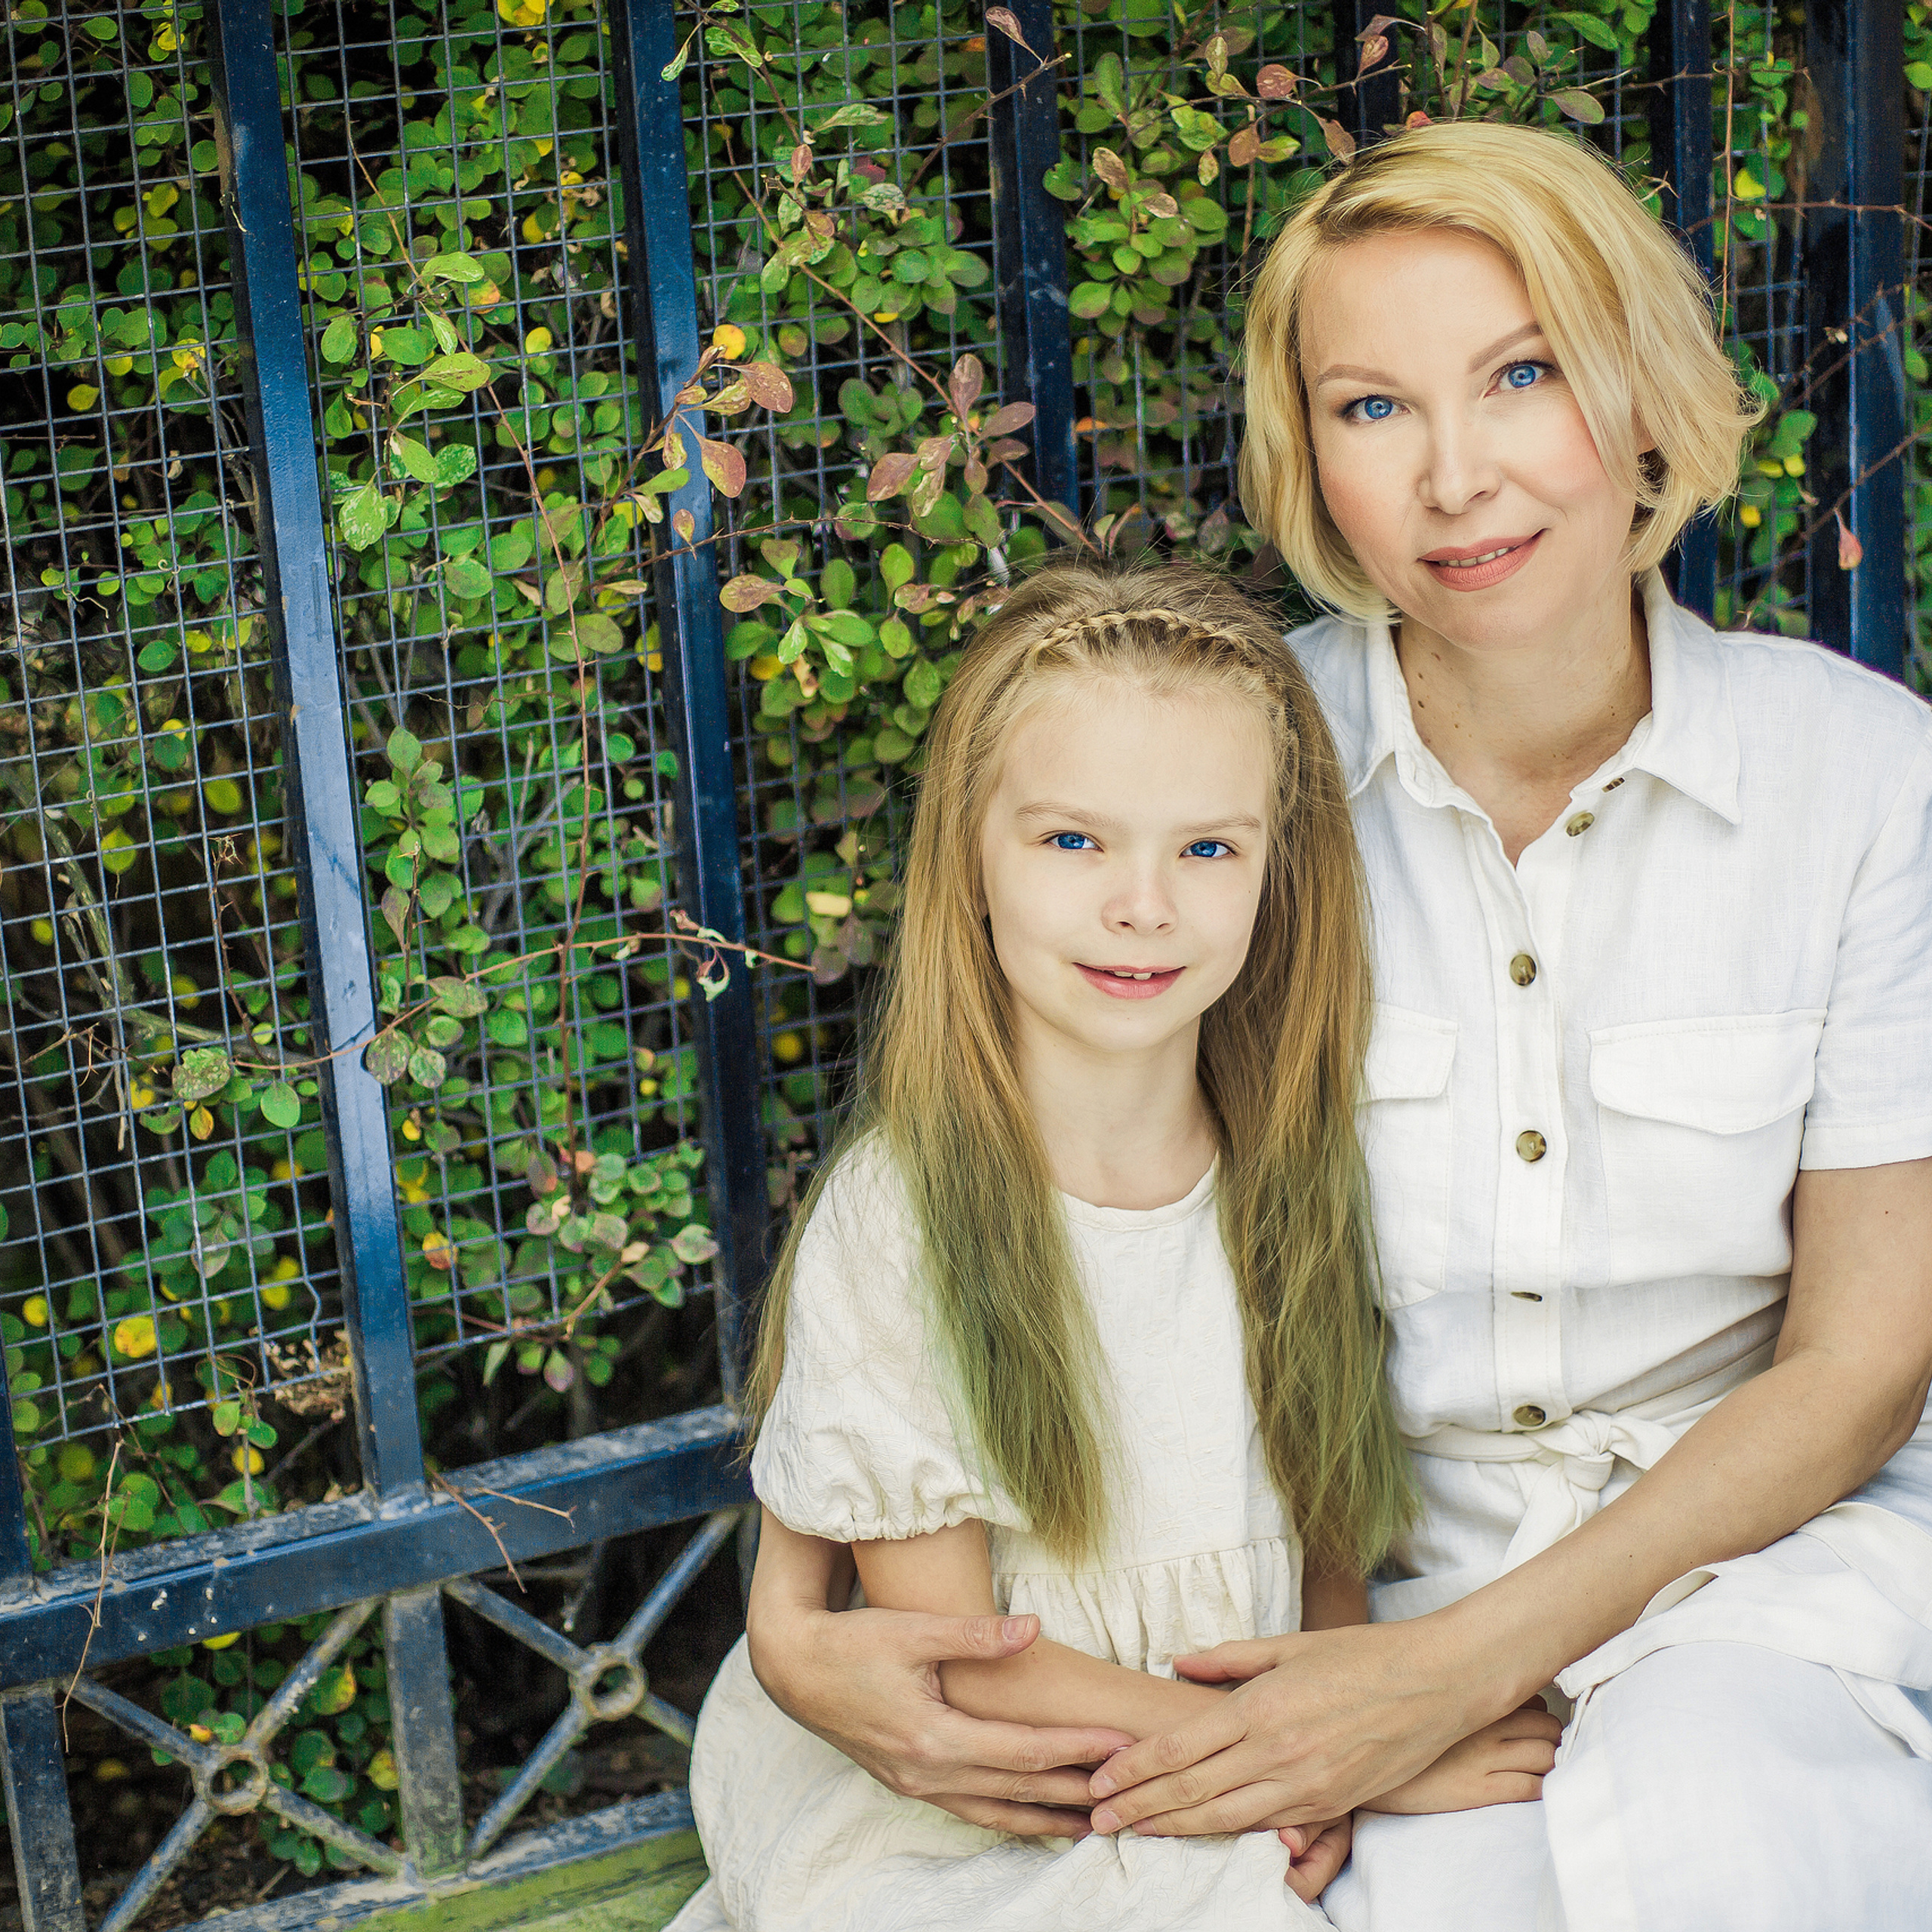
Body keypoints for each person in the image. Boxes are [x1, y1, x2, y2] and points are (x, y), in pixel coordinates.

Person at [737, 122, 1932, 1931]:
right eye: (1372, 407)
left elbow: (1857, 1359)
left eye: (1520, 375)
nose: (1455, 476)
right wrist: (787, 1618)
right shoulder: (1217, 768)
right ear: (1309, 461)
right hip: (1336, 1602)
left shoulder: (1860, 776)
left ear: (1639, 399)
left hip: (1746, 1576)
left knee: (1726, 1828)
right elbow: (993, 1194)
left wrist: (1452, 1676)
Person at [667, 561, 1564, 1932]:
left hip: (1245, 1767)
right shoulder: (903, 1221)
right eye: (1074, 841)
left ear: (1276, 874)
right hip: (997, 1810)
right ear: (971, 859)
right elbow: (971, 1669)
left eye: (1208, 850)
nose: (1144, 905)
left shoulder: (1290, 1175)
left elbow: (1329, 1541)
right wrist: (1344, 1761)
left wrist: (1338, 1735)